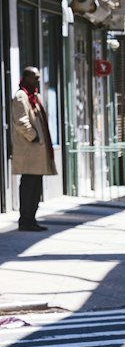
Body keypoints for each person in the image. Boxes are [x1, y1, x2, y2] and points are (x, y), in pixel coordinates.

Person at [11, 66, 56, 232]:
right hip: (29, 151)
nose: (38, 80)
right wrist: (34, 136)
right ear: (26, 78)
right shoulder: (21, 96)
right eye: (35, 77)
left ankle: (31, 219)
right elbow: (21, 122)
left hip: (37, 151)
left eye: (38, 77)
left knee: (36, 187)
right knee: (29, 186)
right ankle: (25, 220)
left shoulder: (33, 96)